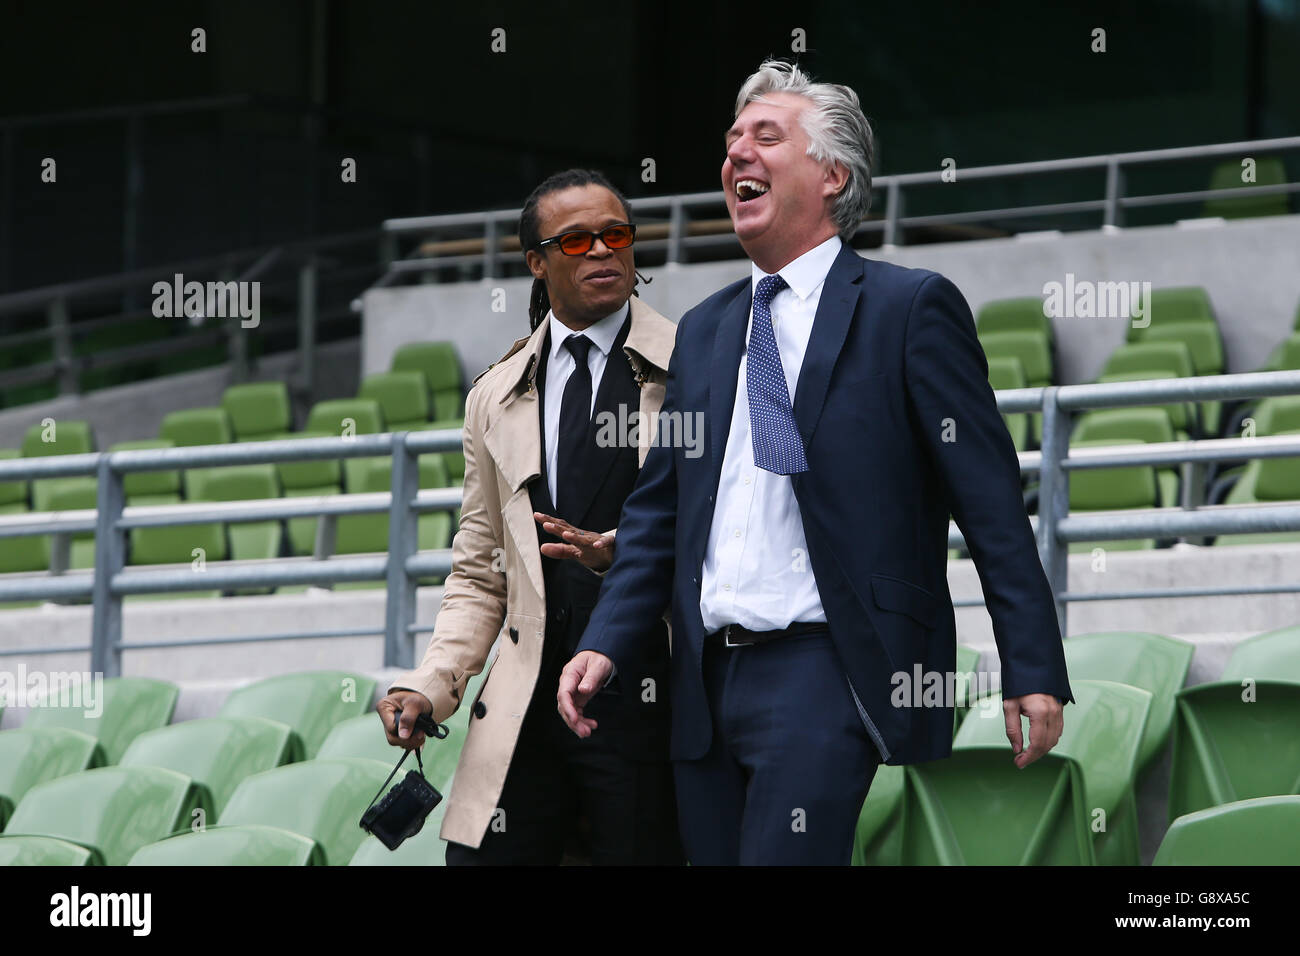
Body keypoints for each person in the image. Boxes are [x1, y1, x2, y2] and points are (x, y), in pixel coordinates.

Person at [557, 61, 1074, 865]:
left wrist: (1031, 667)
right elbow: (660, 508)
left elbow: (992, 505)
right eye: (731, 143)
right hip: (704, 679)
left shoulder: (910, 307)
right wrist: (606, 637)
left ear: (833, 174)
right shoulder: (705, 328)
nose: (737, 156)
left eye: (767, 138)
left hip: (826, 667)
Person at [379, 169, 683, 865]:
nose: (602, 252)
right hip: (525, 704)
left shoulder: (696, 366)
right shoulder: (495, 392)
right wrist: (432, 684)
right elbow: (481, 567)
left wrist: (621, 550)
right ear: (538, 264)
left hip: (650, 696)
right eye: (576, 241)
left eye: (615, 235)